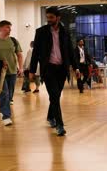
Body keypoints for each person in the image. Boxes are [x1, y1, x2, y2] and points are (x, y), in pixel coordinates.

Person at [29, 7, 79, 136]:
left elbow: (70, 51)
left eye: (51, 17)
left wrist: (76, 67)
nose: (49, 20)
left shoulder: (65, 32)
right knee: (55, 96)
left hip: (62, 69)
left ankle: (50, 116)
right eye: (47, 17)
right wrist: (32, 70)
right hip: (48, 69)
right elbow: (35, 53)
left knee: (55, 96)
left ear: (58, 18)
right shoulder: (41, 32)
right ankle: (60, 125)